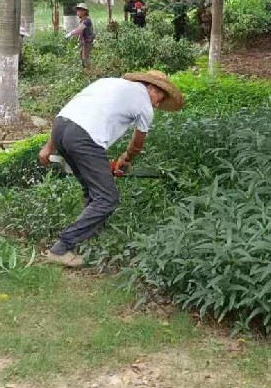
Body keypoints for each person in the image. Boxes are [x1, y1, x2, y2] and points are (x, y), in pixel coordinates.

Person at [37, 70, 184, 267]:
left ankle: (91, 239)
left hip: (61, 128)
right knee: (107, 199)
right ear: (152, 88)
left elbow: (69, 112)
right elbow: (137, 144)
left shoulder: (108, 83)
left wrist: (49, 146)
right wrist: (126, 159)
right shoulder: (144, 105)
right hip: (84, 138)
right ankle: (61, 248)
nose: (157, 104)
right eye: (159, 98)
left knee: (92, 190)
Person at [67, 3, 95, 68]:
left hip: (88, 42)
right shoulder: (83, 20)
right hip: (84, 42)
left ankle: (90, 72)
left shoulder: (87, 21)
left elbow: (79, 29)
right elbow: (80, 32)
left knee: (85, 58)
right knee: (81, 56)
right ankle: (85, 70)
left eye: (79, 11)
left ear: (84, 11)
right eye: (77, 11)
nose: (77, 13)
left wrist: (70, 33)